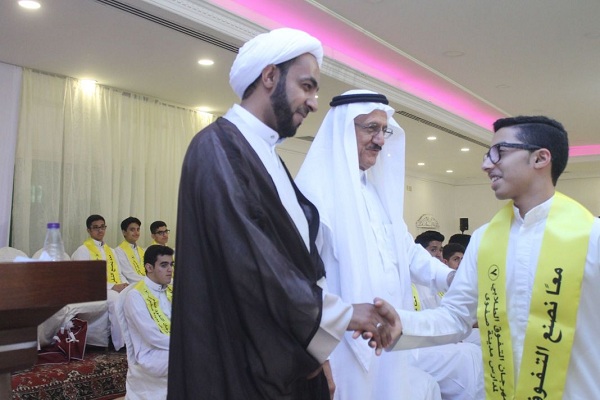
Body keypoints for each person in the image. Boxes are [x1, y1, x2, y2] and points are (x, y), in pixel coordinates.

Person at [168, 29, 394, 400]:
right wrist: (343, 314)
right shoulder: (216, 148)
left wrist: (320, 353)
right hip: (238, 365)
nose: (314, 103)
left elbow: (299, 259)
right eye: (306, 86)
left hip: (289, 363)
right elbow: (252, 263)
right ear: (270, 76)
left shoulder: (266, 154)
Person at [388, 116, 600, 399]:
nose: (486, 164)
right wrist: (401, 323)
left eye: (499, 152)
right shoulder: (484, 239)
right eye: (487, 154)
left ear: (540, 158)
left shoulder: (591, 237)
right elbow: (455, 315)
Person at [296, 90, 482, 399]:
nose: (380, 140)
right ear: (344, 129)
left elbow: (407, 252)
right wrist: (318, 353)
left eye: (385, 130)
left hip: (388, 341)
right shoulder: (313, 194)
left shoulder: (376, 194)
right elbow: (302, 281)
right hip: (340, 344)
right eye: (371, 128)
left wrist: (451, 278)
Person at [120, 244, 174, 400]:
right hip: (151, 353)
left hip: (171, 346)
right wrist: (185, 345)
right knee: (197, 355)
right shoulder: (135, 295)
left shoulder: (171, 289)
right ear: (149, 267)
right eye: (164, 265)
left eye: (171, 264)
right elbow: (152, 337)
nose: (170, 270)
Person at [71, 214, 127, 349]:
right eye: (96, 228)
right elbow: (83, 279)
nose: (100, 230)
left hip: (111, 288)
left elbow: (119, 273)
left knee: (131, 295)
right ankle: (121, 343)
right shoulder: (83, 250)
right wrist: (112, 286)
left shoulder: (111, 251)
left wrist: (126, 285)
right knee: (116, 298)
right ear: (88, 230)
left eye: (102, 227)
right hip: (91, 291)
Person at [115, 216, 145, 285]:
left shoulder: (142, 250)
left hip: (146, 282)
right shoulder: (119, 251)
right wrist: (150, 281)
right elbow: (128, 274)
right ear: (124, 232)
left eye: (138, 229)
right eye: (132, 230)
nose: (136, 233)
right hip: (132, 285)